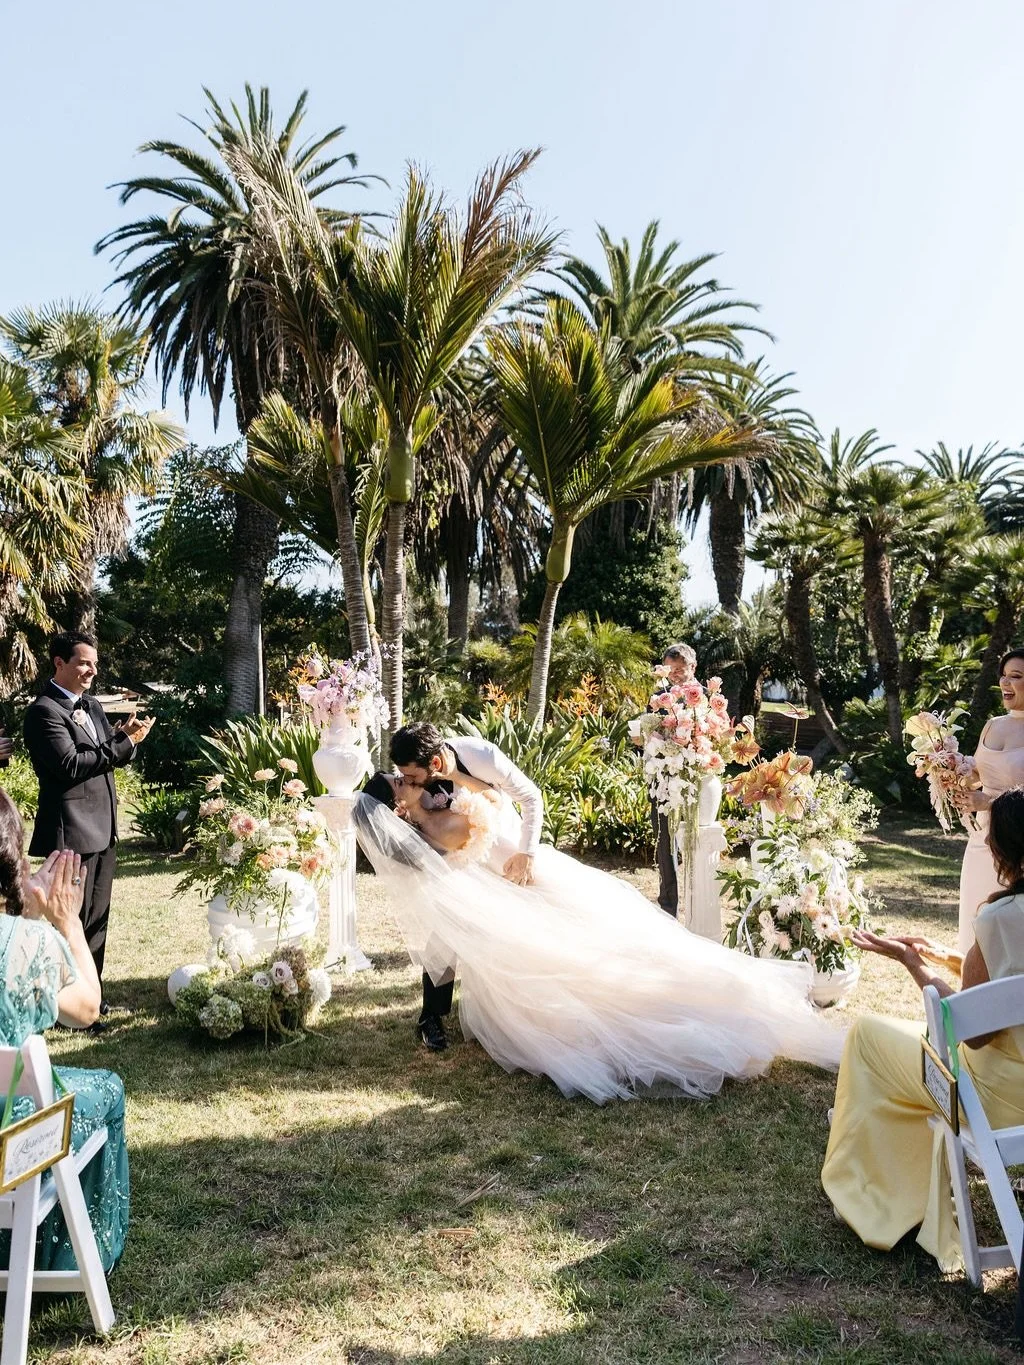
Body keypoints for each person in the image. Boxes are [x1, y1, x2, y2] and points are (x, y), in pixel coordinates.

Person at [354, 771, 844, 1103]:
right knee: (583, 957)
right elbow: (466, 838)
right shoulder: (427, 824)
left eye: (406, 774)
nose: (408, 779)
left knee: (601, 941)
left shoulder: (422, 816)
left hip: (508, 885)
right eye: (399, 781)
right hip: (505, 891)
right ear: (395, 802)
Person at [821, 787, 1024, 1273]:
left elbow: (971, 1032)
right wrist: (945, 955)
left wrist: (911, 964)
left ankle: (880, 1198)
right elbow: (1007, 986)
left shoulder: (1000, 917)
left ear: (1001, 850)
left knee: (868, 1035)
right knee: (904, 1038)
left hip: (997, 1098)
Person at [0, 789, 130, 1274]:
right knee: (105, 1089)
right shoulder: (29, 943)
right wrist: (66, 923)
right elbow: (86, 1010)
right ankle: (71, 1257)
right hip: (9, 1149)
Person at [390, 721, 543, 1053]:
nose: (407, 781)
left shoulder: (481, 755)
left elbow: (531, 797)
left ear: (434, 763)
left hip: (507, 852)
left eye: (412, 776)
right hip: (461, 862)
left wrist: (527, 852)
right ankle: (431, 1016)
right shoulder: (416, 780)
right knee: (446, 928)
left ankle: (527, 1013)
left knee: (528, 930)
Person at [23, 631, 153, 1006]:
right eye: (83, 662)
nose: (91, 670)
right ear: (59, 663)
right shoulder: (44, 711)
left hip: (103, 828)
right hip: (71, 833)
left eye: (94, 663)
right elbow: (69, 765)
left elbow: (104, 754)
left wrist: (128, 738)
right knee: (68, 921)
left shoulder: (92, 705)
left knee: (97, 919)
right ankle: (64, 1002)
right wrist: (121, 745)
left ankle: (92, 995)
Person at [635, 644, 698, 917]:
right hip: (661, 782)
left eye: (680, 671)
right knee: (664, 845)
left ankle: (698, 909)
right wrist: (642, 740)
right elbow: (647, 739)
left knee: (696, 843)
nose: (674, 676)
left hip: (694, 782)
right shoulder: (658, 698)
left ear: (692, 668)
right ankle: (668, 909)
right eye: (670, 671)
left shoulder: (706, 700)